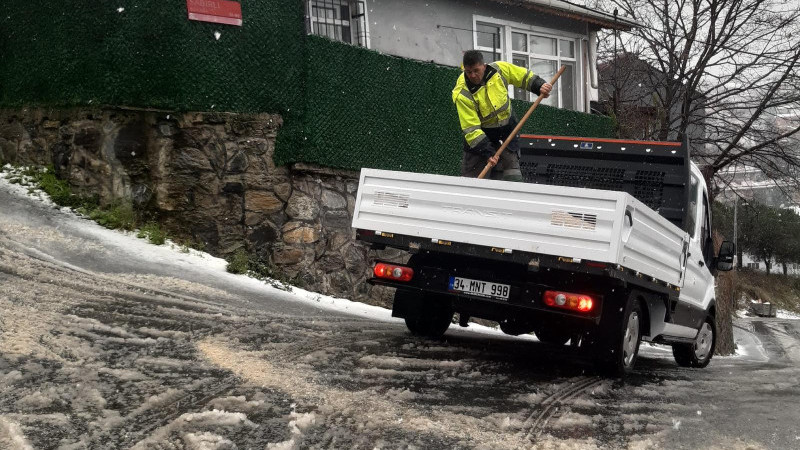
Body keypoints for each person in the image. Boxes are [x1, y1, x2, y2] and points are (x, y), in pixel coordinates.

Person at [452, 50, 552, 180]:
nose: (473, 75)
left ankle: (513, 195)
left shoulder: (499, 70)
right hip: (480, 138)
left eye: (476, 70)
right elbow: (471, 130)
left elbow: (522, 76)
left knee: (513, 177)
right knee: (472, 182)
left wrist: (539, 86)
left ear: (484, 66)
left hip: (507, 132)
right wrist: (488, 152)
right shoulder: (462, 93)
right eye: (468, 72)